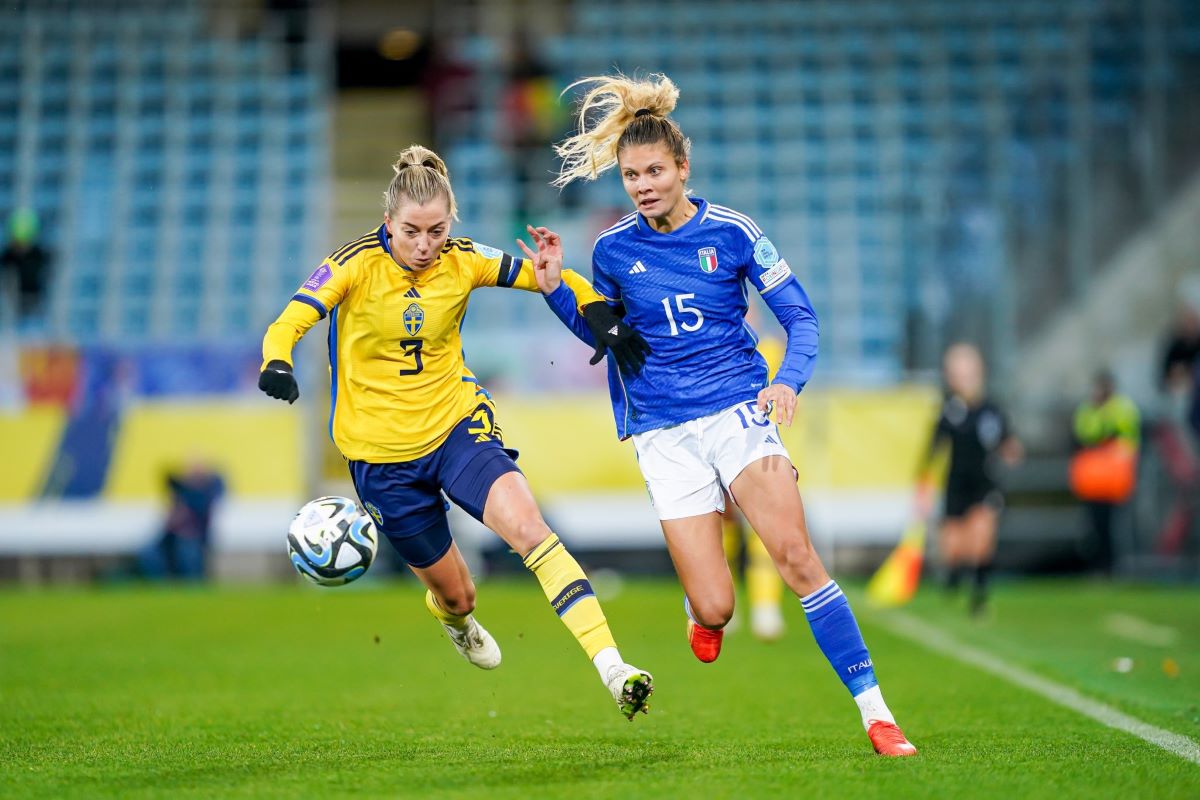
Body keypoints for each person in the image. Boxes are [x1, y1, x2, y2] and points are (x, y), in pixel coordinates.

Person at [526, 72, 916, 756]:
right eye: (629, 175)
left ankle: (876, 714)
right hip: (662, 435)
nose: (642, 185)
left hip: (738, 412)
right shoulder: (613, 251)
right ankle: (700, 612)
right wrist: (557, 290)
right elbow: (605, 338)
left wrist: (787, 382)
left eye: (654, 171)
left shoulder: (733, 233)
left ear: (683, 168)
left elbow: (800, 318)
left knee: (796, 557)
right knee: (717, 610)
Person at [257, 145, 654, 720]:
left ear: (451, 225)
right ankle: (455, 620)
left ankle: (613, 668)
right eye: (411, 232)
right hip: (379, 459)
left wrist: (592, 305)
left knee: (529, 529)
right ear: (388, 223)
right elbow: (290, 320)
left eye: (436, 231)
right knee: (458, 593)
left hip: (455, 427)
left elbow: (546, 275)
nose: (424, 245)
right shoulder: (352, 264)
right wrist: (278, 361)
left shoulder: (464, 259)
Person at [916, 344, 1022, 616]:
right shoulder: (949, 410)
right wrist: (924, 487)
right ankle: (952, 581)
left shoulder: (992, 410)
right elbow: (933, 449)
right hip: (956, 484)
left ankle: (980, 596)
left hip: (985, 484)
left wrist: (1010, 451)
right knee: (952, 548)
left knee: (981, 539)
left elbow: (1007, 442)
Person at [1071, 370, 1140, 576]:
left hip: (1114, 479)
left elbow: (1123, 435)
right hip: (1092, 480)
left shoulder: (1121, 408)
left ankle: (1112, 567)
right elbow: (1083, 434)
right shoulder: (1087, 409)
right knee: (1094, 525)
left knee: (1114, 525)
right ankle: (1098, 566)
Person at [138, 462, 226, 580]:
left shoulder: (206, 493)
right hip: (170, 536)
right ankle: (161, 583)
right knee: (148, 552)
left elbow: (218, 485)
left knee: (187, 551)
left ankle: (192, 583)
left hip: (193, 537)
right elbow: (166, 476)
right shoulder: (180, 491)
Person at [0, 208, 52, 327]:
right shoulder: (8, 255)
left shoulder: (39, 254)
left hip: (34, 298)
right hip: (13, 300)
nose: (21, 246)